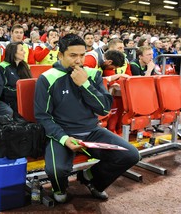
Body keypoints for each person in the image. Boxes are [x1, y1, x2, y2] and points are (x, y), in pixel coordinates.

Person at [34, 34, 139, 203]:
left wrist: (85, 85)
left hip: (92, 131)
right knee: (57, 170)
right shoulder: (47, 78)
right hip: (63, 134)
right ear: (60, 55)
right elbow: (43, 117)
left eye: (82, 55)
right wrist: (63, 138)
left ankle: (91, 178)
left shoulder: (93, 74)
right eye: (73, 55)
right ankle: (60, 188)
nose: (78, 60)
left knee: (131, 155)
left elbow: (104, 108)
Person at [0, 42, 32, 114]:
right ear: (13, 52)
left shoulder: (24, 66)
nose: (24, 51)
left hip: (24, 99)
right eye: (21, 50)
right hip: (11, 102)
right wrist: (21, 92)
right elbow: (3, 89)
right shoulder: (2, 67)